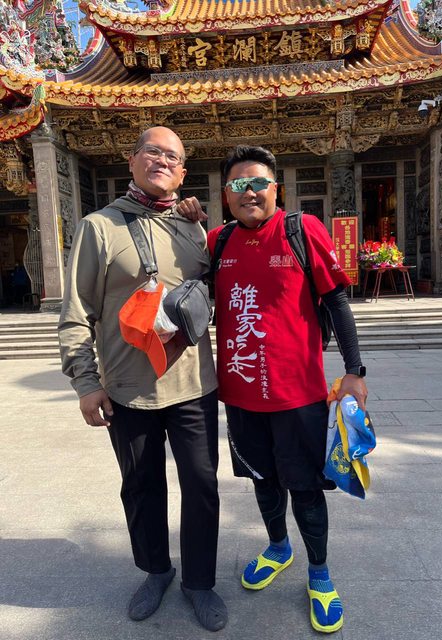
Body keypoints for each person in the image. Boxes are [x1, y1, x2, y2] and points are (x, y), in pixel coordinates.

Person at [176, 145, 368, 634]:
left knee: (304, 488)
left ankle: (320, 575)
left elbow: (337, 302)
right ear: (226, 195)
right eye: (238, 185)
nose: (250, 192)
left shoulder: (301, 230)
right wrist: (184, 218)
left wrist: (354, 371)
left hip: (297, 396)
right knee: (263, 481)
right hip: (241, 395)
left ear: (275, 189)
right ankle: (278, 548)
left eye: (259, 182)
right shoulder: (217, 241)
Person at [58, 126, 228, 632]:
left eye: (172, 156)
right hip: (128, 390)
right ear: (131, 160)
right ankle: (156, 570)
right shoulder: (98, 227)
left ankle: (200, 581)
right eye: (152, 151)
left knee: (202, 486)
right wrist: (86, 382)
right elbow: (76, 311)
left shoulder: (193, 227)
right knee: (141, 486)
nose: (162, 160)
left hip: (194, 386)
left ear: (183, 171)